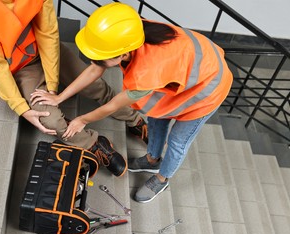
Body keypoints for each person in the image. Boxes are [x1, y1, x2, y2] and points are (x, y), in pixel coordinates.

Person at [33, 3, 233, 202]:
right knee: (156, 118)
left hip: (207, 90)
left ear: (124, 54)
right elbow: (95, 69)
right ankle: (152, 159)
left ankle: (162, 179)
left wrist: (82, 120)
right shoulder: (129, 32)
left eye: (101, 59)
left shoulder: (146, 72)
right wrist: (59, 97)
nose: (95, 62)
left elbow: (113, 105)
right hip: (191, 71)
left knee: (177, 142)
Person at [0, 0, 148, 177]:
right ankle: (94, 144)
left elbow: (48, 34)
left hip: (46, 50)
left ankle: (135, 121)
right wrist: (21, 108)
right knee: (51, 121)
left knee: (94, 85)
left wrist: (53, 89)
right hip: (19, 67)